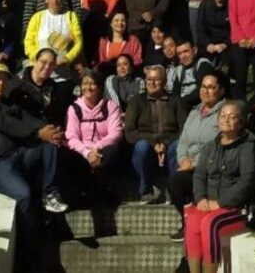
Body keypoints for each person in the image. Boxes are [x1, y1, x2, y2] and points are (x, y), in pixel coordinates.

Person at [0, 63, 68, 262]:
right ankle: (31, 245)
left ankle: (49, 193)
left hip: (15, 155)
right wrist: (39, 132)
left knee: (48, 144)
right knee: (24, 194)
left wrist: (48, 130)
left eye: (4, 79)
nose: (0, 83)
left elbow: (24, 117)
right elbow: (6, 123)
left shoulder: (5, 101)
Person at [183, 101, 255, 273]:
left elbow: (248, 180)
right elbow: (199, 175)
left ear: (240, 123)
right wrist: (201, 198)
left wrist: (221, 202)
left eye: (232, 117)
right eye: (223, 116)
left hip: (235, 207)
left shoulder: (247, 146)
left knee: (210, 223)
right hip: (209, 203)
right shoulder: (210, 146)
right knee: (193, 220)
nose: (226, 120)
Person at [168, 72, 227, 240]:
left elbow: (220, 146)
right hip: (188, 165)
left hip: (209, 167)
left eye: (211, 87)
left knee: (179, 183)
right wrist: (183, 159)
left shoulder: (224, 113)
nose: (205, 91)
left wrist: (194, 163)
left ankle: (195, 224)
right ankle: (188, 222)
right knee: (175, 181)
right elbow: (183, 141)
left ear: (221, 91)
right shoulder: (194, 112)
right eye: (203, 87)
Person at [125, 65, 187, 203]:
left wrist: (165, 143)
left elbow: (184, 129)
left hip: (170, 144)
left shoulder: (176, 101)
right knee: (141, 147)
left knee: (178, 146)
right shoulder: (136, 101)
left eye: (156, 79)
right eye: (149, 79)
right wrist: (153, 142)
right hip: (146, 145)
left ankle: (173, 188)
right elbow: (129, 131)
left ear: (164, 82)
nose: (152, 83)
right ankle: (145, 190)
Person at [65, 70, 124, 200]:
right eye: (85, 84)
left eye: (92, 84)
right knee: (69, 157)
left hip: (102, 149)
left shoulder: (110, 106)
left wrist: (96, 148)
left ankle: (104, 191)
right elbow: (72, 137)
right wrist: (87, 153)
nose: (88, 88)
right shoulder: (74, 108)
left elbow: (116, 133)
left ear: (99, 87)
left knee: (112, 152)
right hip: (82, 151)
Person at [23, 0, 83, 77]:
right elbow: (28, 42)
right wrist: (39, 59)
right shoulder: (37, 17)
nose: (55, 0)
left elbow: (78, 42)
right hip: (40, 73)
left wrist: (67, 58)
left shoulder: (71, 17)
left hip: (63, 75)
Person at [11, 48, 75, 127]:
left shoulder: (53, 87)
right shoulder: (17, 82)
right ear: (35, 61)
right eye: (43, 62)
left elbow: (58, 114)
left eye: (51, 64)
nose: (47, 67)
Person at [168, 41, 216, 108]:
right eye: (179, 53)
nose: (183, 56)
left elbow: (202, 91)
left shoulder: (203, 64)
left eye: (186, 51)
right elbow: (175, 93)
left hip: (201, 106)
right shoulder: (179, 69)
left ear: (195, 50)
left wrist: (182, 101)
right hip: (183, 107)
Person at [196, 0, 232, 66]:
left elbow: (234, 29)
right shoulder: (205, 4)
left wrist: (225, 44)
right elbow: (200, 27)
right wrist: (207, 44)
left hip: (226, 42)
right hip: (209, 41)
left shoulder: (231, 5)